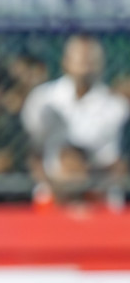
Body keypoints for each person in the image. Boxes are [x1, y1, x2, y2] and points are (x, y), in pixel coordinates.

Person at [20, 35, 129, 182]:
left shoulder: (117, 106)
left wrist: (82, 171)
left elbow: (116, 162)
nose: (85, 62)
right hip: (51, 191)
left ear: (101, 64)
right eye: (80, 57)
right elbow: (33, 149)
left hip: (100, 192)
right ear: (65, 61)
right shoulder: (42, 98)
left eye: (90, 58)